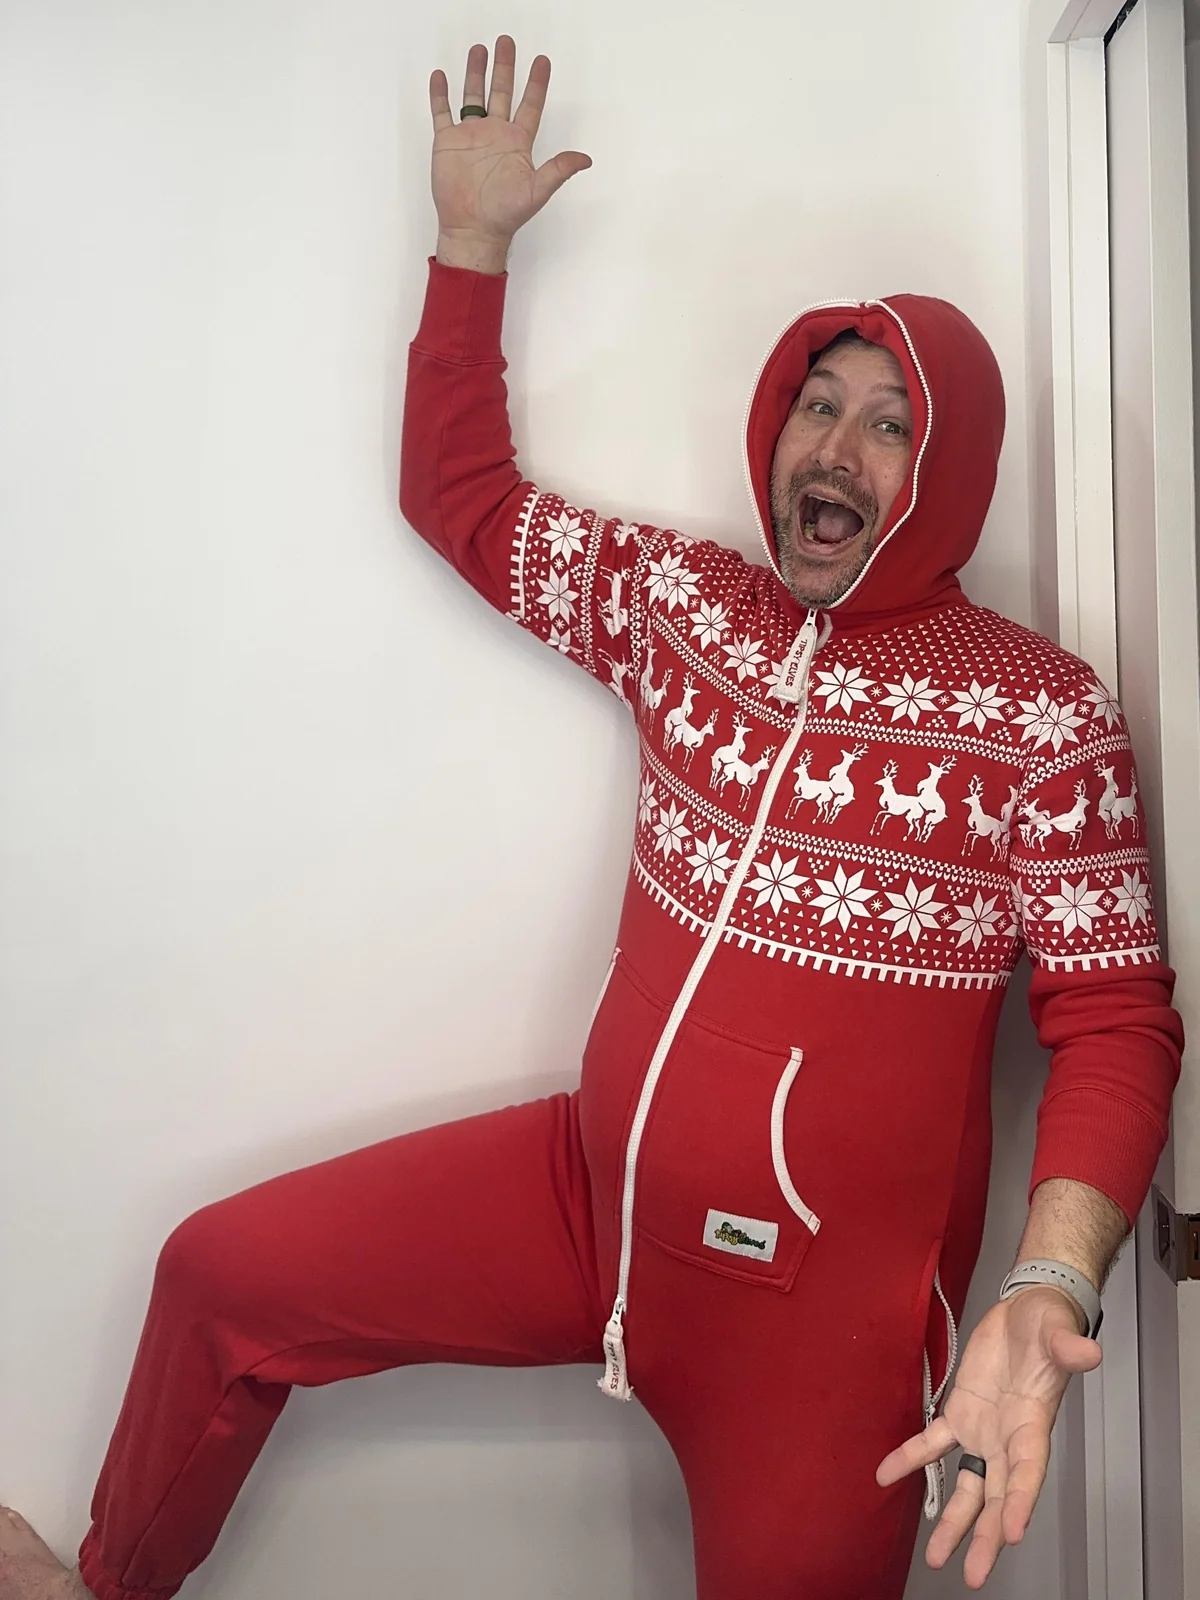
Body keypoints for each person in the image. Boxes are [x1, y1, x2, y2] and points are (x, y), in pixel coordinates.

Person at [0, 35, 1184, 1600]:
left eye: (889, 423)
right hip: (585, 1202)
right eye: (815, 405)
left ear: (950, 466)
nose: (833, 447)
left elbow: (1115, 1025)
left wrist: (1048, 1280)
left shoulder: (1042, 712)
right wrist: (469, 249)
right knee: (220, 1277)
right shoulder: (687, 608)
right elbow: (465, 500)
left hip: (819, 1339)